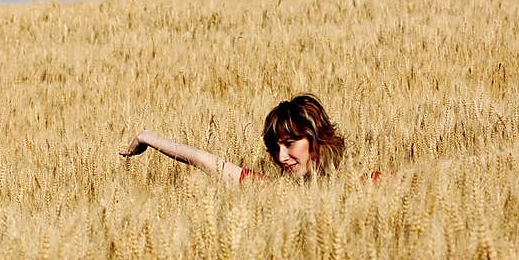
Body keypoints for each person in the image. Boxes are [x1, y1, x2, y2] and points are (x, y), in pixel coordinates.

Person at [120, 93, 359, 186]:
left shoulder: (369, 187)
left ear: (315, 138)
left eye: (289, 143)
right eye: (275, 148)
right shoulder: (271, 191)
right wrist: (147, 138)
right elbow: (204, 160)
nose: (281, 157)